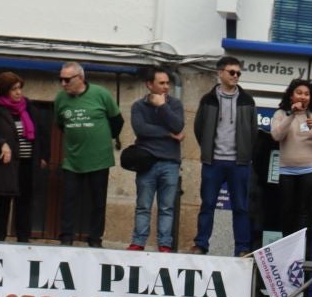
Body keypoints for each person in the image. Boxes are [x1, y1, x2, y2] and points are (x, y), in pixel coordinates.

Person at [192, 57, 258, 255]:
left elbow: (253, 131)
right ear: (220, 73)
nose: (236, 76)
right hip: (213, 162)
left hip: (239, 163)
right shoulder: (208, 99)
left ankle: (242, 248)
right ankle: (201, 244)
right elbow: (199, 128)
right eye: (232, 72)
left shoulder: (247, 100)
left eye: (238, 73)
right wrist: (207, 151)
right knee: (208, 205)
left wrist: (245, 152)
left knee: (240, 207)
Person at [53, 62, 120, 248]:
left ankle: (95, 239)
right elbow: (60, 124)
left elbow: (117, 121)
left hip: (99, 159)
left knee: (97, 202)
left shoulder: (101, 94)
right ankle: (66, 238)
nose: (63, 84)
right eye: (61, 80)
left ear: (80, 78)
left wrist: (104, 137)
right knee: (68, 200)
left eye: (67, 80)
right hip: (73, 160)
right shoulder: (60, 99)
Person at [0, 72, 37, 243]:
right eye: (14, 89)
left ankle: (23, 238)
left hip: (26, 161)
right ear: (4, 91)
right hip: (6, 163)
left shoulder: (28, 107)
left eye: (20, 88)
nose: (19, 92)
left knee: (25, 200)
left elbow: (41, 132)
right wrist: (1, 143)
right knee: (3, 200)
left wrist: (42, 155)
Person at [129, 67, 185, 252]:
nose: (166, 87)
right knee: (143, 206)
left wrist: (162, 106)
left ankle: (165, 245)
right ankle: (138, 242)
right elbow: (141, 129)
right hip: (147, 162)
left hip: (170, 163)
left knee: (167, 207)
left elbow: (178, 125)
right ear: (149, 84)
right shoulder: (138, 106)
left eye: (168, 83)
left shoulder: (174, 105)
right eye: (161, 83)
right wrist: (168, 133)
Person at [270, 78, 312, 250]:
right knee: (286, 208)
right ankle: (286, 247)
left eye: (306, 94)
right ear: (291, 95)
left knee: (303, 208)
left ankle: (300, 247)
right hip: (287, 169)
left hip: (311, 167)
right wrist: (291, 115)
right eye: (299, 93)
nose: (303, 97)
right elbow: (276, 136)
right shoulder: (281, 114)